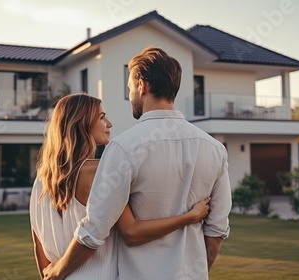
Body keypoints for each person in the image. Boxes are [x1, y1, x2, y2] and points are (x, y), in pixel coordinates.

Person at [43, 47, 232, 280]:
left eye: (130, 88)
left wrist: (58, 271)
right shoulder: (215, 149)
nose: (131, 95)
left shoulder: (123, 148)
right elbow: (216, 231)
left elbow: (94, 230)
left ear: (142, 86)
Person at [29, 93, 211, 279]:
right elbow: (132, 231)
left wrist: (56, 273)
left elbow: (40, 248)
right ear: (81, 123)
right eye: (101, 117)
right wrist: (189, 216)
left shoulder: (40, 182)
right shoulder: (100, 172)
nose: (109, 123)